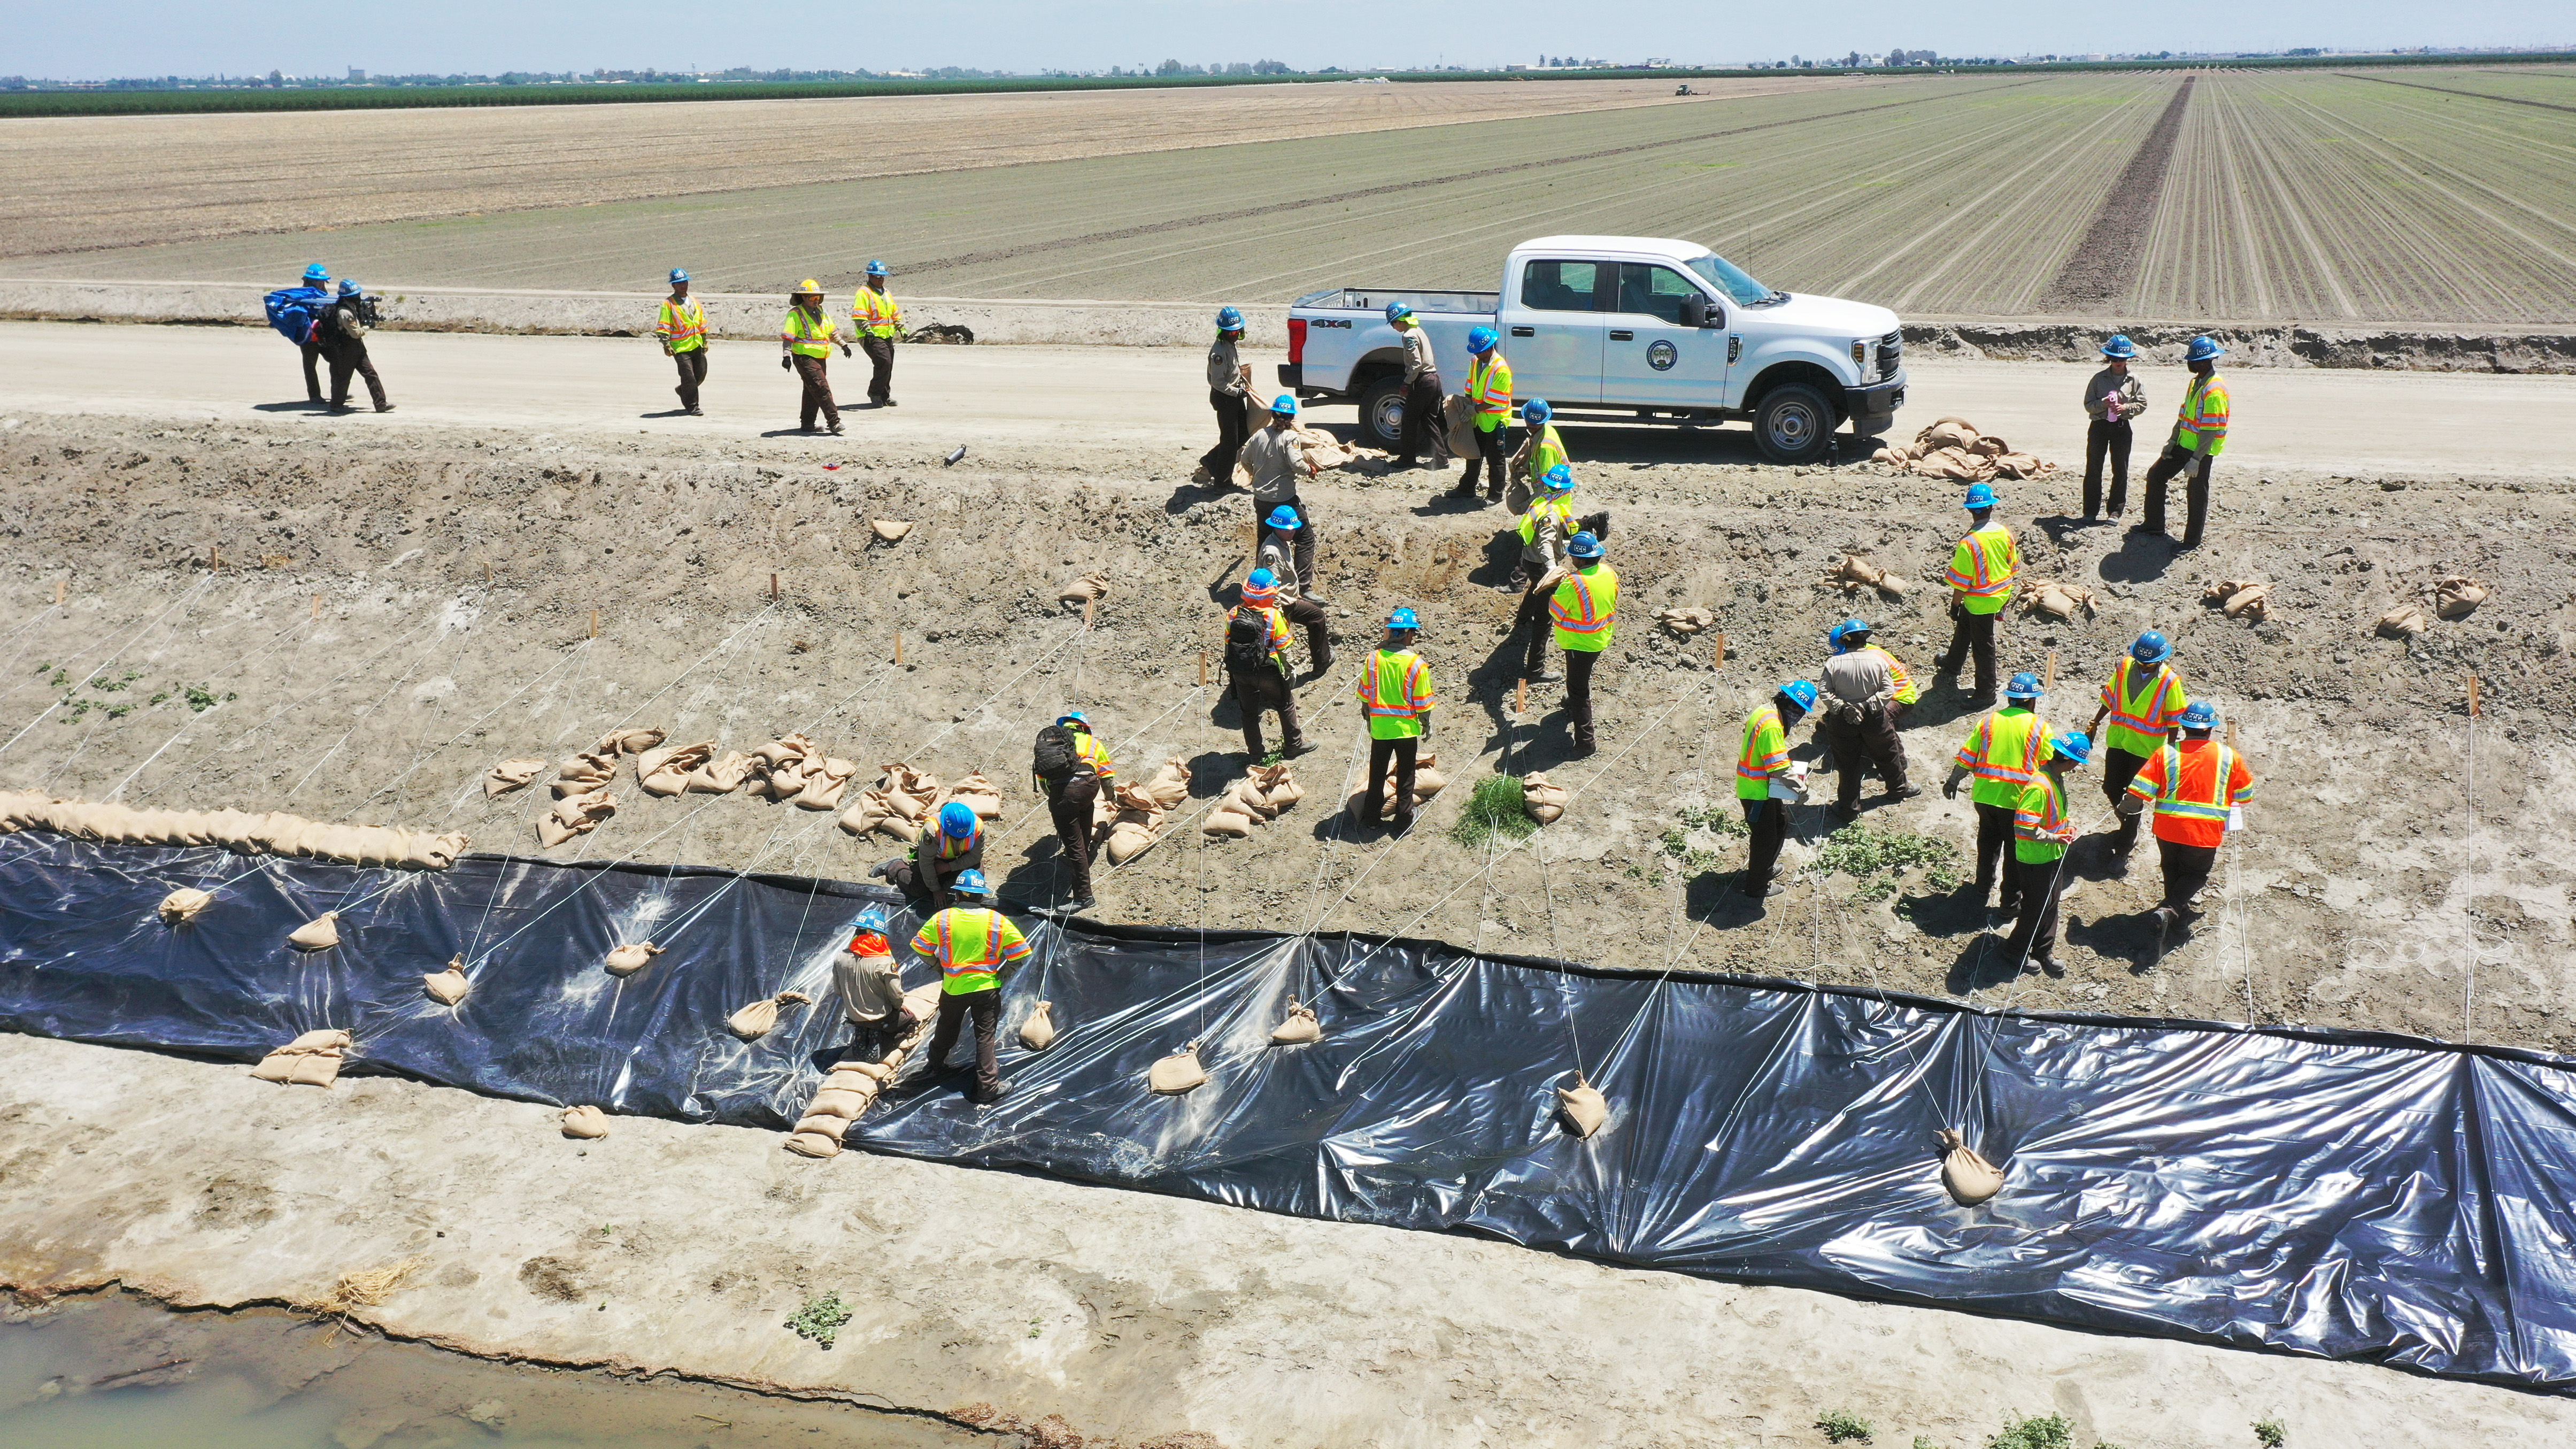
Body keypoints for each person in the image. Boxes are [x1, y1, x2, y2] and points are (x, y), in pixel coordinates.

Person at [2116, 699, 2253, 935]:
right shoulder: (2229, 757)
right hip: (2204, 832)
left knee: (2171, 868)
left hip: (2168, 829)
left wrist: (2125, 807)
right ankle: (2170, 909)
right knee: (2196, 874)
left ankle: (2174, 914)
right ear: (2210, 729)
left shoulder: (2167, 753)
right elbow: (2244, 794)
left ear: (2183, 727)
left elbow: (2139, 791)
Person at [909, 869, 1030, 1105]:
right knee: (985, 1037)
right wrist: (1003, 974)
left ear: (959, 895)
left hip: (954, 988)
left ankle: (934, 1066)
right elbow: (1020, 953)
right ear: (981, 896)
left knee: (946, 1028)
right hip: (986, 990)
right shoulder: (997, 921)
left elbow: (920, 947)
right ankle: (988, 1088)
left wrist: (938, 967)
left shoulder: (942, 918)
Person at [1944, 672, 2051, 919]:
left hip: (1985, 798)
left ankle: (1982, 887)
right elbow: (2049, 767)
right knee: (2015, 855)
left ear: (2010, 699)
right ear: (2032, 701)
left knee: (1988, 843)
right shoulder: (2040, 727)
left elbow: (1968, 757)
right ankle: (2009, 905)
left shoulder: (1988, 721)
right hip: (2017, 802)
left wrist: (1953, 781)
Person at [2086, 630, 2191, 864]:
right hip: (2119, 740)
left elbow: (2174, 719)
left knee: (2134, 796)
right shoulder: (2125, 667)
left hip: (2146, 749)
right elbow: (2110, 696)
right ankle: (2127, 822)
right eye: (2140, 662)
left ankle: (2125, 844)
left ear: (2160, 660)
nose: (2143, 667)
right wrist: (2095, 722)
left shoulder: (2169, 682)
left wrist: (2171, 751)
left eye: (2149, 664)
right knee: (2111, 788)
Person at [2006, 731, 2091, 976]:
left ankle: (2043, 950)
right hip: (2035, 859)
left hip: (2052, 856)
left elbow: (2058, 814)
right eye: (2077, 763)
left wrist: (2069, 825)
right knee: (2035, 908)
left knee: (2051, 904)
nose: (2076, 767)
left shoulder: (2055, 778)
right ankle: (2015, 950)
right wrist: (2055, 837)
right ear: (2071, 761)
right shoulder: (2040, 786)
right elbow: (2023, 828)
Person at [2136, 335, 2230, 549]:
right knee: (2156, 475)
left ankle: (2191, 541)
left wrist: (2197, 459)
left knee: (2196, 493)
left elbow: (2210, 430)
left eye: (2192, 361)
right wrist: (2172, 440)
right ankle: (2154, 525)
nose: (2189, 364)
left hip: (2201, 451)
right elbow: (2184, 415)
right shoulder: (2196, 382)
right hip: (2184, 444)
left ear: (2203, 362)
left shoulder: (2215, 390)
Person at [1819, 618, 1918, 819]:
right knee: (1887, 754)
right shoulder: (1878, 661)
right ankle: (1898, 789)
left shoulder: (1833, 663)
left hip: (1842, 722)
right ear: (1865, 639)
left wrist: (1844, 707)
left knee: (1848, 765)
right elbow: (1888, 690)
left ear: (1845, 640)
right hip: (1874, 717)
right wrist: (1866, 706)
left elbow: (1824, 692)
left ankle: (1848, 809)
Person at [1936, 481, 2018, 703]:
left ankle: (1986, 693)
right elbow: (2014, 566)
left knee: (1983, 646)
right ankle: (1952, 664)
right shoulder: (2004, 532)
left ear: (1970, 510)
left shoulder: (1969, 543)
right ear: (1991, 507)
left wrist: (1954, 606)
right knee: (1965, 626)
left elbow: (1961, 584)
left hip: (1981, 601)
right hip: (2001, 594)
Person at [1736, 679, 1818, 898]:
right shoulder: (1772, 725)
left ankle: (1764, 870)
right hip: (1755, 791)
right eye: (1799, 711)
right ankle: (1757, 887)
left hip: (1764, 787)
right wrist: (1801, 789)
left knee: (1781, 823)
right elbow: (1779, 768)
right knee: (1765, 839)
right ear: (1792, 706)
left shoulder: (1765, 711)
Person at [1355, 607, 1436, 829]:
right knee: (1406, 777)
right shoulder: (1416, 663)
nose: (1414, 637)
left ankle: (1371, 818)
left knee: (1377, 774)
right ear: (1408, 633)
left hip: (1380, 729)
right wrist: (1426, 723)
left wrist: (1368, 713)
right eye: (1414, 633)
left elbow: (1364, 693)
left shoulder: (1373, 658)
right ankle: (1403, 820)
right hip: (1406, 730)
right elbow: (1422, 703)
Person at [1227, 569, 1321, 761]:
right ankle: (1294, 746)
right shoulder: (1273, 615)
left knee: (1249, 714)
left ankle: (1256, 755)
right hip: (1267, 669)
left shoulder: (1234, 613)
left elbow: (1229, 640)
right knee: (1285, 704)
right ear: (1268, 594)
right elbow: (1285, 644)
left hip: (1241, 670)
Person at [1032, 710, 1114, 912]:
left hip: (1064, 793)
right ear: (1084, 727)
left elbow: (1044, 780)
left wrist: (1058, 797)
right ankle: (1084, 855)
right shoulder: (1093, 743)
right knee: (1084, 819)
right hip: (1089, 788)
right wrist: (1111, 797)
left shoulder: (1053, 745)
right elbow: (1107, 776)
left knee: (1073, 846)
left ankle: (1084, 898)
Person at [1546, 531, 1617, 757]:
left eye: (1573, 557)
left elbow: (1555, 612)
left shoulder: (1573, 582)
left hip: (1579, 643)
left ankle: (1586, 743)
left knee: (1579, 691)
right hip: (1601, 637)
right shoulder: (1608, 572)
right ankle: (1570, 705)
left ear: (1579, 558)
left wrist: (1553, 590)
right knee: (1578, 682)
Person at [1510, 463, 1579, 683]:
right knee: (1544, 620)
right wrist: (1552, 569)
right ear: (1563, 489)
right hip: (1541, 564)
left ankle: (1521, 620)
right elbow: (1547, 544)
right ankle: (1535, 670)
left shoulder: (1541, 501)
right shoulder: (1552, 513)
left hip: (1529, 560)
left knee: (1534, 587)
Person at [2081, 334, 2145, 522]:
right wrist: (2103, 404)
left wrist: (2124, 408)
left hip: (2121, 427)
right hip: (2099, 427)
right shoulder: (2098, 379)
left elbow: (2142, 404)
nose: (2119, 362)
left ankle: (2115, 511)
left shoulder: (2134, 380)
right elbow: (2088, 405)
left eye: (2122, 359)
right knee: (2094, 468)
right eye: (2115, 358)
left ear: (2128, 359)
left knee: (2121, 469)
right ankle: (2090, 512)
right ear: (2109, 358)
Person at [880, 801, 986, 913]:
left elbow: (975, 857)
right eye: (956, 837)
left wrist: (948, 867)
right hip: (935, 861)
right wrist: (936, 890)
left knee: (977, 874)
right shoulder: (932, 830)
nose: (960, 840)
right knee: (919, 890)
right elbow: (926, 863)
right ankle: (896, 867)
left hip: (957, 859)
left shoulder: (977, 827)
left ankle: (950, 887)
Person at [1238, 394, 1319, 535]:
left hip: (1261, 500)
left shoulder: (1260, 435)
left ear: (1273, 415)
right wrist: (1309, 470)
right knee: (1305, 538)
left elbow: (1244, 460)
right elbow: (1296, 464)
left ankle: (1264, 557)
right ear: (1292, 418)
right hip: (1283, 500)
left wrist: (1255, 474)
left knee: (1265, 539)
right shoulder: (1290, 437)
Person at [1449, 326, 1513, 503]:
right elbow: (1470, 384)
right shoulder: (1475, 361)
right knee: (1473, 454)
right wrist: (1467, 403)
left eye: (1479, 351)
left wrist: (1473, 410)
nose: (1476, 355)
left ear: (1488, 348)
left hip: (1494, 420)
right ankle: (1467, 488)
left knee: (1495, 459)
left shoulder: (1501, 369)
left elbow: (1495, 400)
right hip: (1478, 417)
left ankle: (1495, 494)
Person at [779, 279, 850, 435]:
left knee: (812, 389)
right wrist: (786, 356)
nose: (816, 300)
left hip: (821, 358)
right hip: (804, 357)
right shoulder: (795, 314)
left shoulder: (822, 312)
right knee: (821, 388)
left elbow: (832, 333)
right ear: (803, 297)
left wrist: (844, 345)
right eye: (812, 297)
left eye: (818, 297)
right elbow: (788, 337)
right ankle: (834, 422)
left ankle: (807, 424)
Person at [318, 280, 392, 414]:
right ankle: (336, 405)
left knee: (371, 374)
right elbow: (356, 333)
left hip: (357, 348)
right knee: (343, 378)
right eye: (355, 294)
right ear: (348, 297)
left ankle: (381, 404)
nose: (358, 297)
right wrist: (368, 328)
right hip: (347, 348)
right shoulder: (344, 313)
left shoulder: (352, 307)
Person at [1387, 302, 1446, 471]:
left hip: (1423, 381)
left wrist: (1406, 383)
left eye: (1393, 323)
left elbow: (1416, 364)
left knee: (1409, 420)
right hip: (1434, 379)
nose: (1393, 327)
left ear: (1400, 321)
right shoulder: (1418, 330)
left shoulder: (1409, 336)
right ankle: (1441, 459)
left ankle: (1407, 459)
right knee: (1429, 420)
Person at [1205, 305, 1252, 479]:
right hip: (1225, 398)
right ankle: (1221, 481)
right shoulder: (1219, 351)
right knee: (1230, 442)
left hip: (1234, 396)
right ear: (1223, 331)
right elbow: (1217, 382)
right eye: (1231, 332)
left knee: (1245, 432)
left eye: (1237, 331)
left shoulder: (1230, 345)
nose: (1235, 335)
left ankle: (1211, 460)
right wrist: (1235, 392)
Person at [657, 267, 709, 415]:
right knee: (689, 377)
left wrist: (704, 340)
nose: (683, 285)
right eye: (679, 283)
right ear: (673, 286)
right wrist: (666, 344)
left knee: (701, 374)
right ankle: (693, 406)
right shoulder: (668, 304)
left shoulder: (694, 301)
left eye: (684, 282)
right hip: (680, 348)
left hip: (696, 344)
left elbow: (701, 322)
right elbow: (663, 325)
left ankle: (683, 390)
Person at [850, 260, 903, 406]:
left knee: (888, 365)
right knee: (883, 362)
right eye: (877, 276)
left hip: (886, 335)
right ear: (870, 276)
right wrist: (867, 329)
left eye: (882, 277)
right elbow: (859, 315)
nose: (880, 279)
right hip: (870, 337)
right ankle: (874, 392)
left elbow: (894, 312)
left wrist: (901, 328)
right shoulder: (864, 292)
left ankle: (885, 395)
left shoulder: (886, 293)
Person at [1506, 396, 1570, 513]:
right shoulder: (1546, 429)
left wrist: (1528, 506)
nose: (1531, 426)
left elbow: (1547, 488)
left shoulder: (1545, 447)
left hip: (1554, 496)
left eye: (1535, 424)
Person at [1257, 503, 1321, 602]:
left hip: (1289, 598)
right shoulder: (1273, 553)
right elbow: (1272, 589)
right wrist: (1279, 614)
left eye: (1293, 529)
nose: (1292, 532)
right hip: (1281, 603)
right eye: (1287, 530)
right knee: (1317, 616)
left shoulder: (1282, 542)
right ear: (1277, 528)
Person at [291, 263, 331, 404]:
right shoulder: (301, 296)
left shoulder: (324, 294)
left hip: (324, 335)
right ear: (309, 280)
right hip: (309, 336)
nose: (320, 284)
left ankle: (339, 392)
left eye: (322, 281)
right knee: (310, 365)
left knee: (336, 361)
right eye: (317, 281)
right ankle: (314, 395)